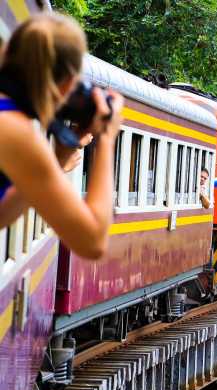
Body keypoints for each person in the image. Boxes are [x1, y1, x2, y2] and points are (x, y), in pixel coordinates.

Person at [0, 13, 124, 259]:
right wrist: (107, 138)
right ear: (67, 84)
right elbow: (93, 242)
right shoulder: (14, 129)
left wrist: (54, 160)